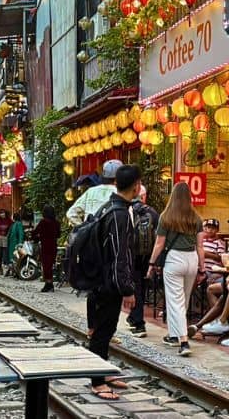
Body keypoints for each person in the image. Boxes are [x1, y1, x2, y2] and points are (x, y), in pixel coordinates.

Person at [87, 164, 140, 400]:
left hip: (100, 278)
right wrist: (127, 288)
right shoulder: (120, 214)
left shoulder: (109, 207)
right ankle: (97, 382)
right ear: (136, 186)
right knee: (102, 331)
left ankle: (103, 371)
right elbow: (120, 254)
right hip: (108, 282)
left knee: (106, 329)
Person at [146, 182, 204, 356]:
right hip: (192, 259)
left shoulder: (166, 217)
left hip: (174, 259)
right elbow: (200, 246)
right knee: (183, 300)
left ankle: (183, 341)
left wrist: (151, 263)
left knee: (175, 301)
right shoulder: (196, 218)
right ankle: (173, 335)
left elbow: (159, 244)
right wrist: (202, 268)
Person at [126, 186, 158, 337]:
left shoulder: (127, 210)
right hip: (148, 256)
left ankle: (139, 323)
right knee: (141, 288)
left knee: (136, 288)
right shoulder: (153, 213)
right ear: (143, 196)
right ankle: (134, 317)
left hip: (131, 255)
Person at [67, 159, 124, 226]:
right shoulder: (122, 193)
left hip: (90, 231)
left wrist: (84, 228)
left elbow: (71, 213)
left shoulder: (91, 191)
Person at [33, 205, 61, 292]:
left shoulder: (43, 222)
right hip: (53, 246)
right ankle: (49, 284)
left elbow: (35, 232)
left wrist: (37, 238)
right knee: (50, 265)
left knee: (46, 265)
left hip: (45, 246)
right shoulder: (57, 223)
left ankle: (48, 284)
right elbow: (58, 235)